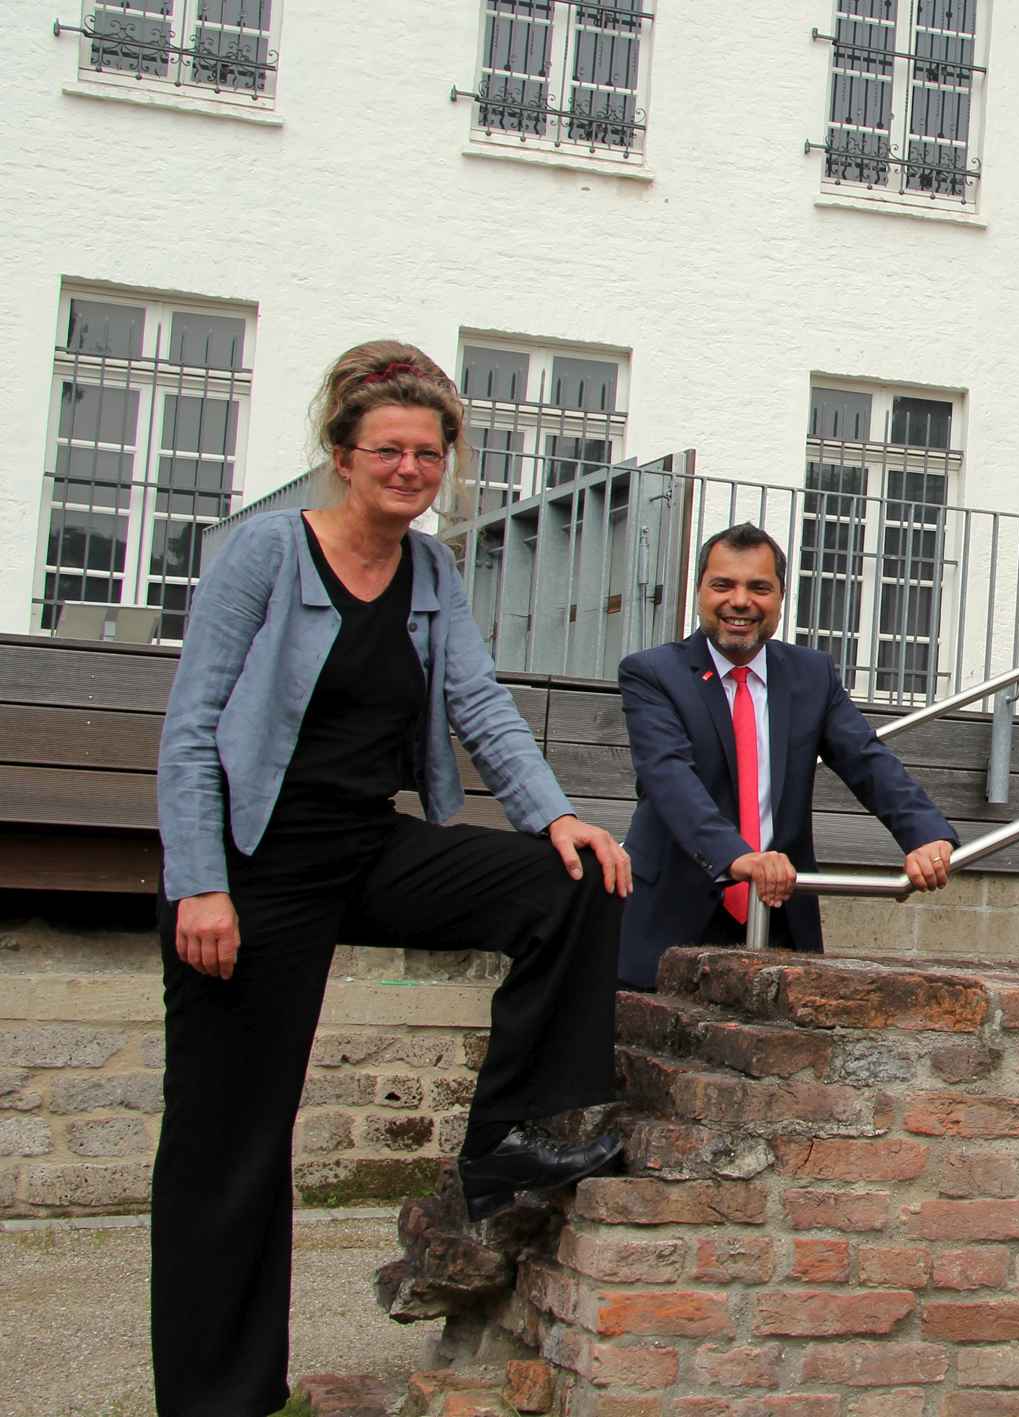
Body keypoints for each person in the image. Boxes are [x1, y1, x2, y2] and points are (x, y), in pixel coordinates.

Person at [152, 340, 633, 1417]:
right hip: (250, 863)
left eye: (428, 453)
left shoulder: (431, 572)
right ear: (343, 455)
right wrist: (199, 883)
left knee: (567, 882)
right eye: (388, 450)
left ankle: (514, 1146)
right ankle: (218, 1398)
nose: (410, 469)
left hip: (366, 845)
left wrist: (556, 815)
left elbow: (481, 705)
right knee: (229, 1141)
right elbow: (190, 727)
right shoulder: (267, 553)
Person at [616, 523, 957, 988]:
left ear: (780, 596)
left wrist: (926, 833)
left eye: (759, 587)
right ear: (699, 592)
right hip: (670, 916)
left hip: (781, 915)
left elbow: (866, 758)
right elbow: (668, 777)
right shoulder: (652, 673)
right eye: (723, 585)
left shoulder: (811, 674)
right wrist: (736, 857)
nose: (740, 601)